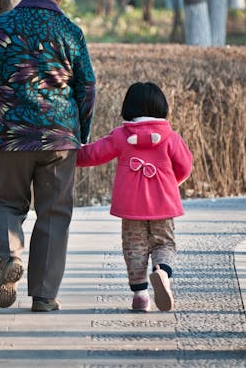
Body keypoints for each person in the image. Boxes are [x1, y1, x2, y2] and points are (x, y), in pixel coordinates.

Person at [0, 0, 96, 312]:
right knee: (54, 214)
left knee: (8, 203)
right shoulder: (70, 31)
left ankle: (12, 254)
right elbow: (86, 86)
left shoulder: (3, 26)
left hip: (11, 134)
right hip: (59, 137)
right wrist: (78, 132)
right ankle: (44, 296)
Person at [76, 82, 193, 311]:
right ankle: (162, 273)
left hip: (131, 206)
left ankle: (140, 294)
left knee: (134, 247)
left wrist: (70, 149)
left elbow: (92, 155)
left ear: (127, 108)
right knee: (164, 243)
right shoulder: (170, 137)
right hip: (163, 204)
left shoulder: (121, 136)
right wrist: (171, 184)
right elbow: (185, 166)